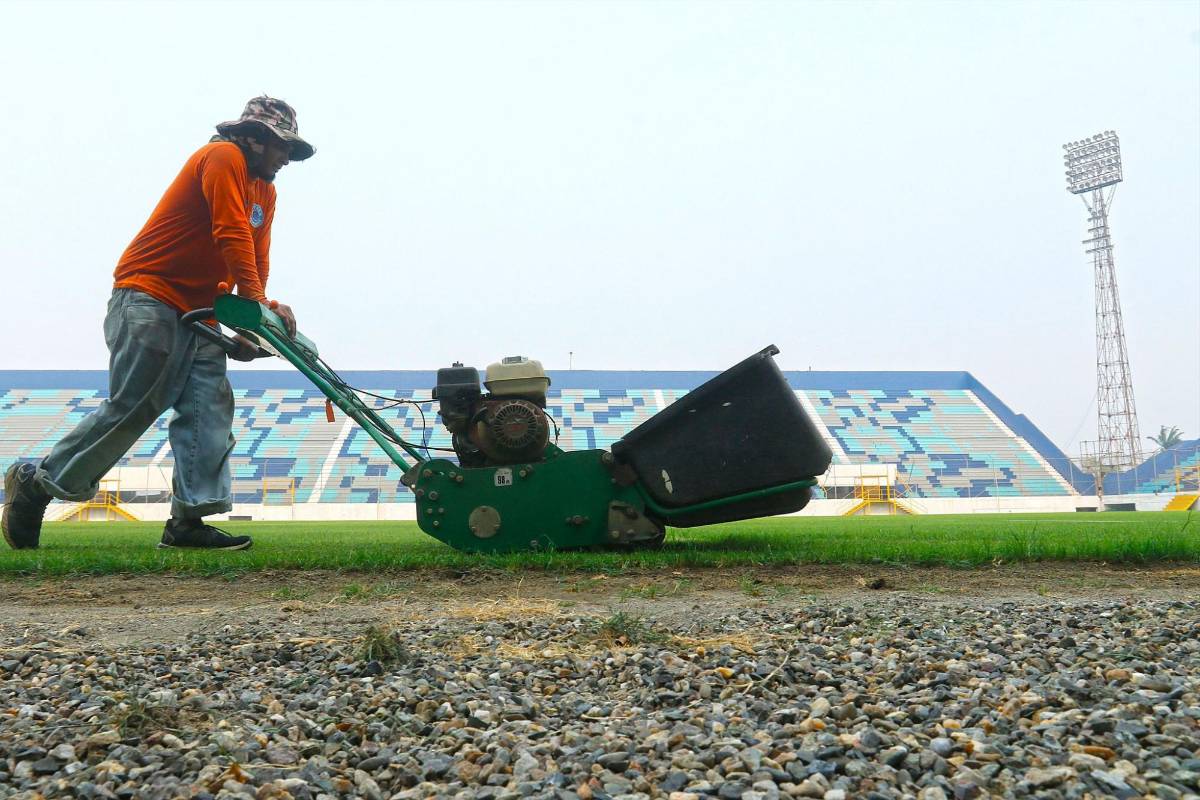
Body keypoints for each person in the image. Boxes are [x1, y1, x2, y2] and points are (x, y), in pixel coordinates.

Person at [2, 96, 314, 552]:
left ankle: (188, 523)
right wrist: (253, 303)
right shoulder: (221, 156)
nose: (286, 157)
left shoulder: (264, 191)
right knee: (136, 404)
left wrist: (257, 318)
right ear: (254, 138)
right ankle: (38, 482)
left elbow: (255, 257)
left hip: (200, 312)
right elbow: (228, 232)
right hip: (149, 294)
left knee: (209, 408)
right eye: (281, 146)